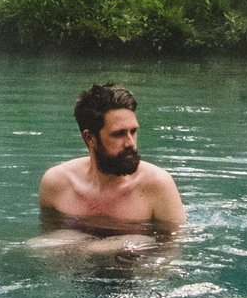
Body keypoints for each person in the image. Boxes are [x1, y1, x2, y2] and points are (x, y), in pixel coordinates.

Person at [37, 82, 185, 241]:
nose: (130, 143)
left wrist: (113, 245)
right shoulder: (57, 183)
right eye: (119, 134)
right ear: (90, 138)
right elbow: (51, 239)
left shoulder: (157, 185)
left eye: (133, 131)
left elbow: (170, 249)